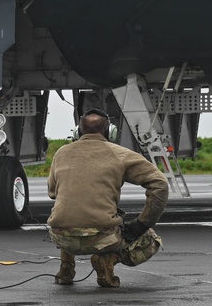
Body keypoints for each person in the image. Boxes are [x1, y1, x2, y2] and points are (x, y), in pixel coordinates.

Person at [47, 108, 168, 288]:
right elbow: (160, 184)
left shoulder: (61, 153)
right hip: (101, 238)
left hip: (60, 236)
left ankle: (66, 269)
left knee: (68, 214)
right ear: (110, 132)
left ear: (78, 132)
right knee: (151, 240)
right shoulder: (120, 154)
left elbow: (53, 193)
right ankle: (108, 261)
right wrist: (142, 224)